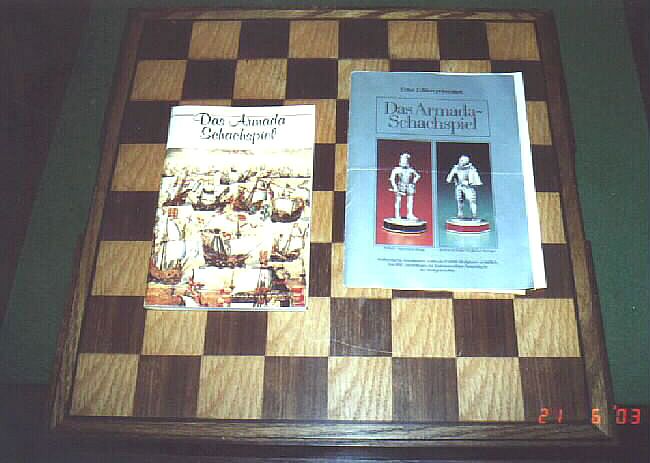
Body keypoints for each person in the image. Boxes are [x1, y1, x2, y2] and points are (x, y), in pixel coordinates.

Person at [446, 154, 483, 219]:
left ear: (466, 161)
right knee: (459, 201)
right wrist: (451, 178)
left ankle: (474, 215)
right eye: (460, 160)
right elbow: (449, 178)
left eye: (462, 160)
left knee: (472, 201)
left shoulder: (471, 169)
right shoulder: (456, 168)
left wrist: (470, 183)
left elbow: (476, 179)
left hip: (468, 187)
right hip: (459, 186)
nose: (460, 161)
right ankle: (460, 214)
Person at [389, 152, 421, 220]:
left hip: (409, 186)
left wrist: (414, 182)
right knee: (398, 200)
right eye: (403, 160)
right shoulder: (396, 169)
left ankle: (410, 214)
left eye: (405, 160)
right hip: (400, 186)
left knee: (410, 200)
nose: (404, 161)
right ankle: (397, 215)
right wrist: (395, 187)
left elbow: (418, 176)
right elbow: (392, 179)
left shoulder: (411, 170)